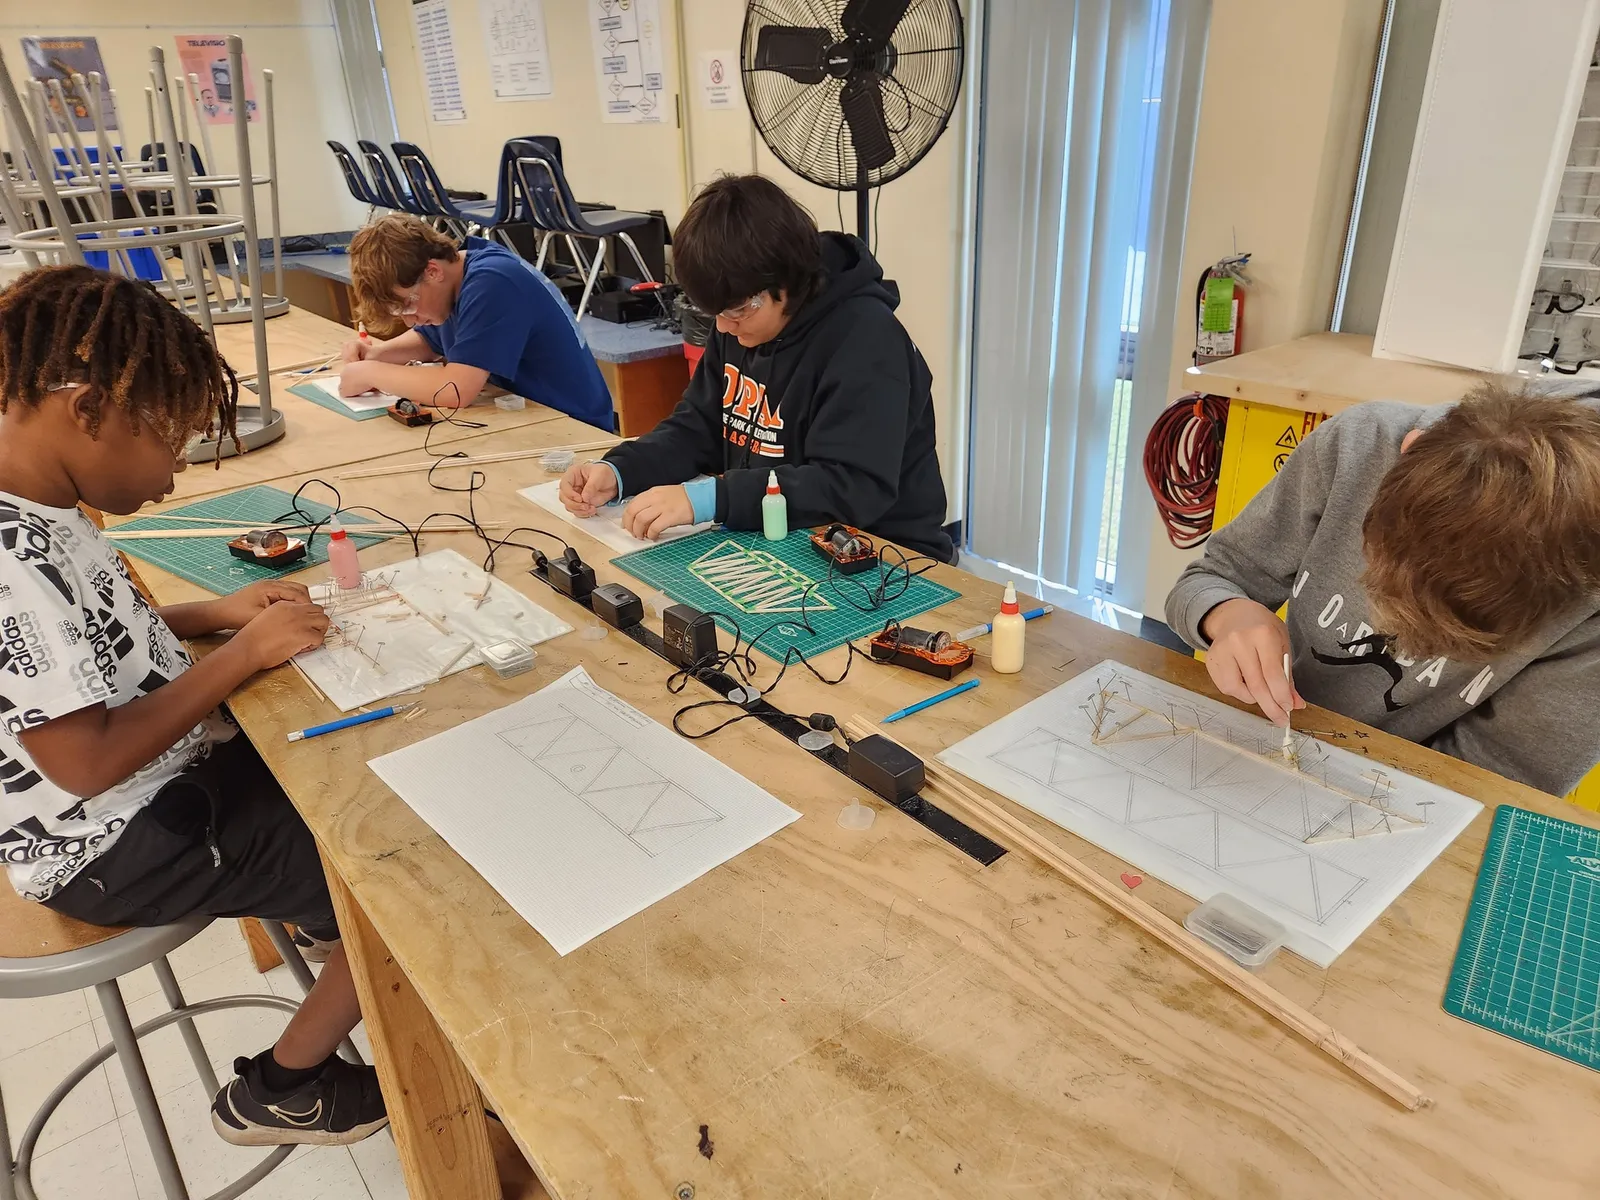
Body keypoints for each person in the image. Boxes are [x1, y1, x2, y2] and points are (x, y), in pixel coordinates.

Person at [0, 266, 387, 1147]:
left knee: (350, 770)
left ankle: (330, 928)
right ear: (89, 409)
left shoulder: (38, 499)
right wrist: (244, 654)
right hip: (108, 840)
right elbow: (88, 758)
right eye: (169, 443)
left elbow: (84, 650)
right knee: (402, 867)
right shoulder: (12, 566)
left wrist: (212, 616)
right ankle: (288, 1085)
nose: (175, 476)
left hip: (129, 796)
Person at [1165, 383, 1600, 797]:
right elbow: (1212, 577)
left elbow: (1494, 782)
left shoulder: (1588, 607)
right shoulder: (1359, 448)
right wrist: (1227, 615)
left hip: (1397, 791)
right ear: (1409, 449)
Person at [559, 173, 953, 561]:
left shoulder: (868, 340)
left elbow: (850, 487)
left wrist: (715, 498)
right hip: (785, 539)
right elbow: (698, 427)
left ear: (788, 283)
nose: (723, 327)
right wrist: (620, 470)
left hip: (884, 557)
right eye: (713, 311)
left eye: (736, 311)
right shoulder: (740, 323)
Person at [341, 214, 614, 430]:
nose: (411, 321)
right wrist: (379, 354)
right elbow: (431, 339)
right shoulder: (454, 281)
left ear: (432, 271)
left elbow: (455, 391)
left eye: (409, 304)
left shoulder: (493, 283)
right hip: (529, 417)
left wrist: (371, 372)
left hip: (573, 428)